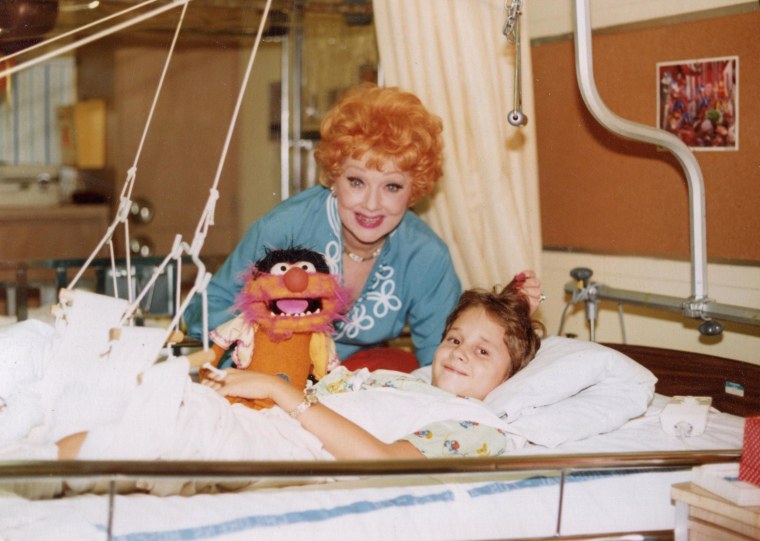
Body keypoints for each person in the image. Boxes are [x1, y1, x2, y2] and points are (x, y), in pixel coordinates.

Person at [183, 82, 542, 367]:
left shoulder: (425, 256)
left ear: (414, 191)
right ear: (334, 176)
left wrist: (510, 316)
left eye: (391, 186)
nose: (371, 204)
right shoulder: (286, 227)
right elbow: (207, 307)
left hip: (355, 388)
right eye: (357, 182)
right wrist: (259, 343)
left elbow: (443, 355)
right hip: (267, 371)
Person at [54, 279, 544, 467]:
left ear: (509, 377)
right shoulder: (407, 384)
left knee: (153, 426)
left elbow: (384, 459)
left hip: (274, 446)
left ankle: (32, 455)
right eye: (455, 339)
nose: (459, 353)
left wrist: (278, 391)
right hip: (256, 419)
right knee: (76, 370)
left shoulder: (477, 429)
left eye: (483, 353)